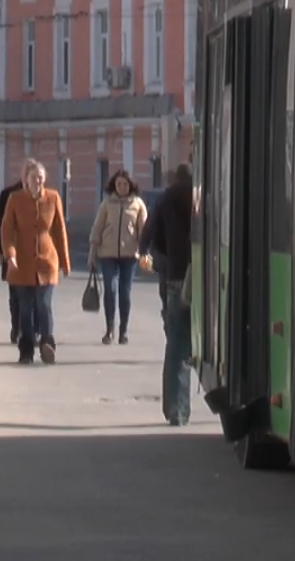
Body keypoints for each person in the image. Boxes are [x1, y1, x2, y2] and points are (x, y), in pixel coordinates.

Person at [0, 159, 71, 364]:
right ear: (26, 179)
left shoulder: (53, 197)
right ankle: (26, 350)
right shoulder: (15, 199)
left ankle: (48, 343)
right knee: (25, 308)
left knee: (44, 304)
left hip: (47, 262)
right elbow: (7, 231)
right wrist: (10, 255)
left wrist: (65, 262)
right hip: (21, 264)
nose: (38, 181)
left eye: (41, 177)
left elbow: (59, 230)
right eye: (34, 177)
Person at [88, 169, 148, 345]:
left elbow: (144, 231)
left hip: (130, 255)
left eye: (125, 184)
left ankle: (123, 331)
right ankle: (109, 329)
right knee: (110, 290)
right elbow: (97, 228)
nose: (122, 187)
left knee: (125, 292)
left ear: (130, 185)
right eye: (119, 184)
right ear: (114, 185)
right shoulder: (107, 204)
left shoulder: (137, 204)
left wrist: (145, 252)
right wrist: (92, 253)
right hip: (108, 254)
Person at [155, 164, 195, 426]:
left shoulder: (167, 198)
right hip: (203, 274)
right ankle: (178, 409)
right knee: (185, 344)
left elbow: (154, 236)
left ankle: (176, 409)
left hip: (176, 276)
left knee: (176, 344)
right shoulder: (202, 195)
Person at [0, 166, 26, 344]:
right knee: (15, 293)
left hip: (34, 254)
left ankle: (31, 330)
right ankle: (17, 328)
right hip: (11, 249)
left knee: (33, 294)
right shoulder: (8, 194)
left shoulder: (45, 196)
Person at [141, 169, 174, 330]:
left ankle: (168, 318)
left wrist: (143, 249)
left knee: (166, 289)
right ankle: (171, 317)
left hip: (164, 256)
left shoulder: (162, 201)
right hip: (180, 258)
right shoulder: (192, 198)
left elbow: (149, 228)